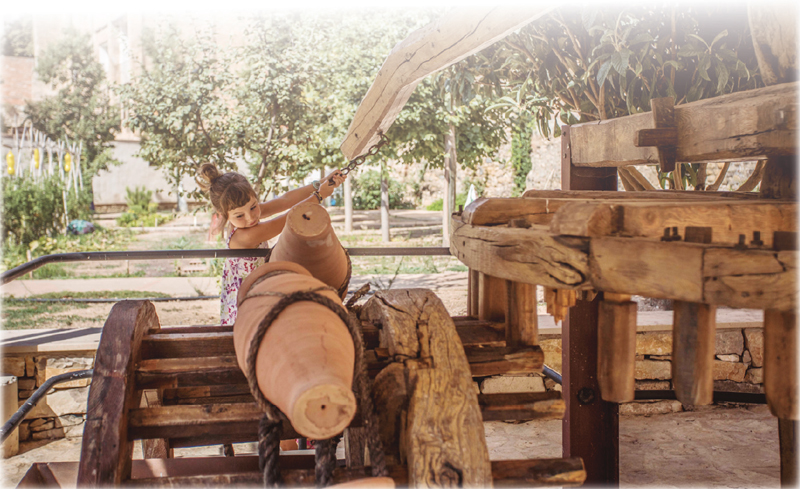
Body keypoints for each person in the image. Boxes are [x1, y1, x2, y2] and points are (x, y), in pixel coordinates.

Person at [196, 163, 346, 326]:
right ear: (223, 215)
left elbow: (285, 200)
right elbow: (288, 219)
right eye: (240, 215)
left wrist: (321, 182)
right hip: (248, 300)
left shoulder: (244, 219)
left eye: (254, 207)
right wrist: (318, 196)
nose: (251, 217)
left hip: (260, 289)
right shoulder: (244, 236)